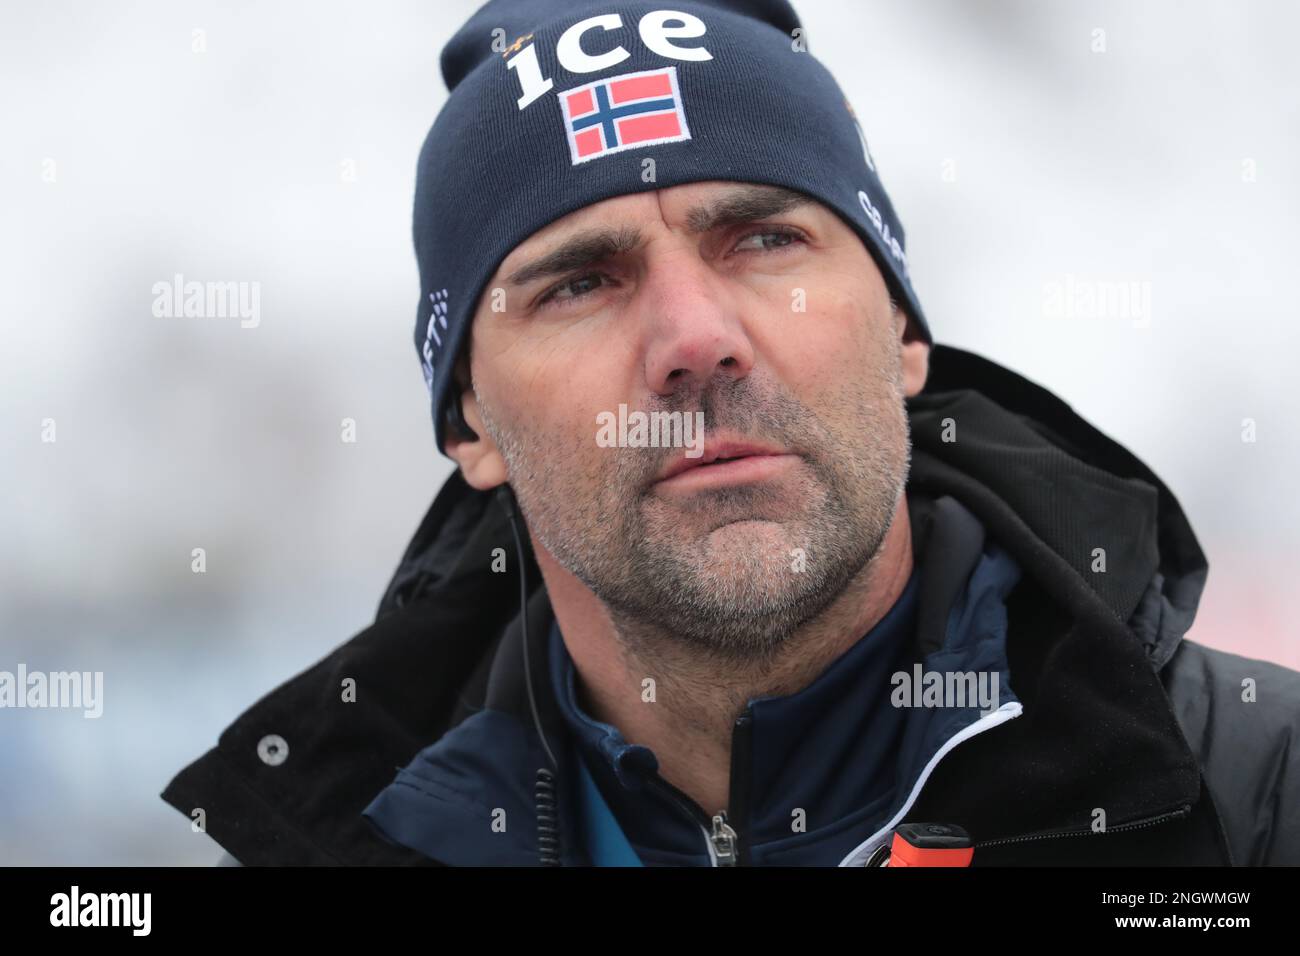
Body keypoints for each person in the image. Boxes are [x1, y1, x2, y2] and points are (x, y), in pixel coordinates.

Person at [162, 0, 1300, 866]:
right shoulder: (335, 842)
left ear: (903, 331)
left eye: (762, 240)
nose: (694, 339)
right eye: (579, 283)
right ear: (471, 421)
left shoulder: (1254, 800)